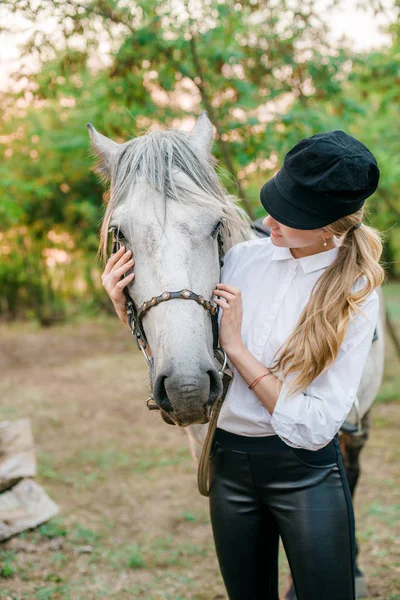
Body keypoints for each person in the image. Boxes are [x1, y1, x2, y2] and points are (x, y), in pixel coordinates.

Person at [101, 130, 385, 600]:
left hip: (307, 474)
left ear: (330, 230)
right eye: (273, 201)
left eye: (288, 216)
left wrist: (238, 350)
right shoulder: (240, 260)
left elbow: (314, 428)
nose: (268, 219)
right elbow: (187, 352)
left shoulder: (353, 292)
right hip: (230, 469)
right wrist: (123, 305)